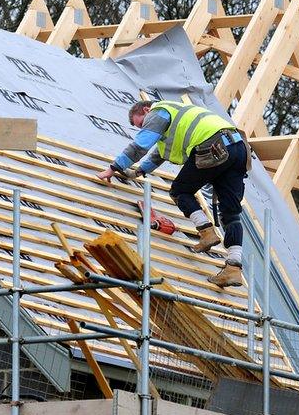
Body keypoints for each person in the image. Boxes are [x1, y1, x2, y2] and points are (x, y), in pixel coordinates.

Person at [96, 99, 251, 287]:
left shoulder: (159, 112)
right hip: (239, 147)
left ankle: (207, 232)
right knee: (231, 215)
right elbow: (160, 153)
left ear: (146, 110)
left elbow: (140, 146)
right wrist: (138, 171)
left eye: (141, 124)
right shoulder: (178, 116)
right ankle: (234, 269)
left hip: (213, 146)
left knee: (180, 191)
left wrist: (114, 167)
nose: (143, 129)